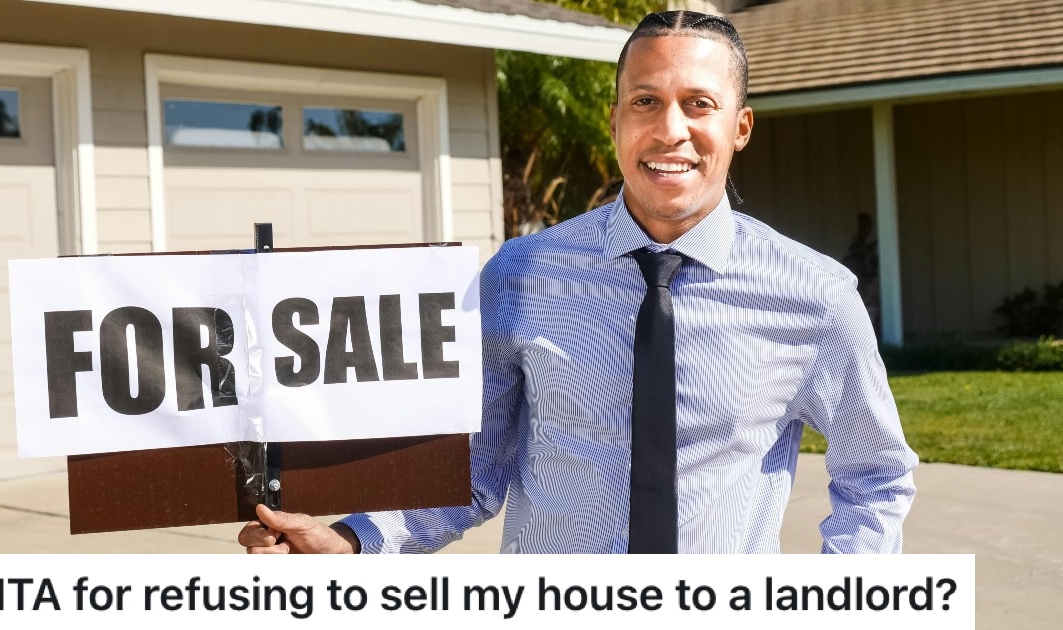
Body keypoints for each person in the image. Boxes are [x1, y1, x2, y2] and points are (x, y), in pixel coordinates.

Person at [238, 10, 917, 554]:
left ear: (739, 127)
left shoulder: (816, 296)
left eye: (699, 103)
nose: (671, 129)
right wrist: (354, 540)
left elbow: (876, 475)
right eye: (646, 101)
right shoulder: (521, 272)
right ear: (616, 120)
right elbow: (473, 469)